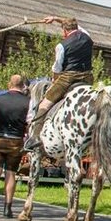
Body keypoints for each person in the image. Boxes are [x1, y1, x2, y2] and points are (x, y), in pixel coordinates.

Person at [24, 16, 94, 151]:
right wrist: (56, 18)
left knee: (44, 103)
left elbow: (57, 68)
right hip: (87, 77)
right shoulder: (87, 36)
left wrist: (54, 80)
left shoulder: (61, 45)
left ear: (64, 31)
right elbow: (72, 25)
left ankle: (35, 137)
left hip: (68, 77)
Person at [0, 75, 30, 218]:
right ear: (23, 86)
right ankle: (7, 209)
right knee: (11, 174)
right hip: (16, 140)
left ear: (10, 84)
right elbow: (30, 121)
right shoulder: (28, 101)